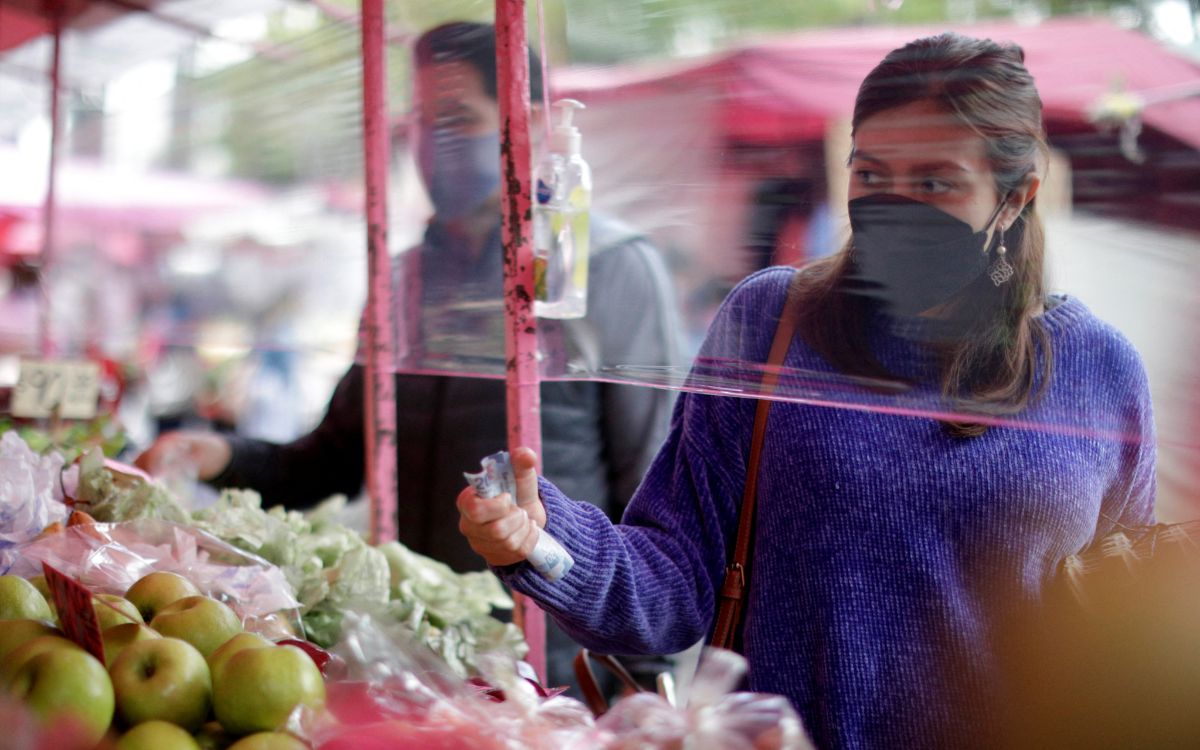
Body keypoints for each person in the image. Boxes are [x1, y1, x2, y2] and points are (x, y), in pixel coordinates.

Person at [456, 32, 1157, 747]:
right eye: (872, 176)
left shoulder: (1099, 369)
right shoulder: (772, 323)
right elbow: (674, 580)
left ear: (1016, 197)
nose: (895, 205)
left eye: (936, 182)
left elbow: (1120, 626)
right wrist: (541, 540)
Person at [137, 21, 682, 693]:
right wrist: (218, 455)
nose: (437, 144)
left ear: (533, 126)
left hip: (550, 676)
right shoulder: (402, 280)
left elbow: (653, 503)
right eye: (425, 121)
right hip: (412, 665)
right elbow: (337, 452)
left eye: (460, 118)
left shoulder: (608, 268)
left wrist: (646, 687)